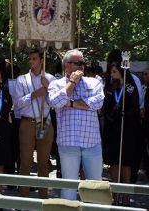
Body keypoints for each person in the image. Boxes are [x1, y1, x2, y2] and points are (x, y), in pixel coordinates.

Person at [48, 49, 104, 200]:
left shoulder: (94, 82)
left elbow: (97, 103)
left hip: (91, 143)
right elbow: (56, 102)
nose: (82, 66)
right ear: (66, 65)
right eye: (77, 63)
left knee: (96, 187)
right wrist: (71, 82)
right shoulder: (56, 84)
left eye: (83, 63)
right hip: (68, 144)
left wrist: (71, 103)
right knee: (69, 187)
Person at [15, 49, 56, 198]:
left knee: (44, 163)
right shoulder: (21, 79)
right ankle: (24, 197)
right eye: (29, 59)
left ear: (41, 61)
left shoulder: (50, 79)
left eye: (34, 59)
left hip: (45, 122)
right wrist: (33, 95)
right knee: (25, 162)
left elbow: (54, 103)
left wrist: (48, 88)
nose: (31, 61)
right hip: (27, 123)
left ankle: (43, 197)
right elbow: (18, 104)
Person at [102, 62, 141, 206]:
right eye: (111, 72)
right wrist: (110, 92)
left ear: (121, 72)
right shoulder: (111, 88)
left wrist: (125, 113)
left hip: (127, 129)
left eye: (114, 72)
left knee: (125, 162)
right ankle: (114, 194)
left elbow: (135, 107)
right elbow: (105, 106)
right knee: (113, 162)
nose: (112, 75)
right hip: (113, 129)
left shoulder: (130, 88)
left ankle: (126, 196)